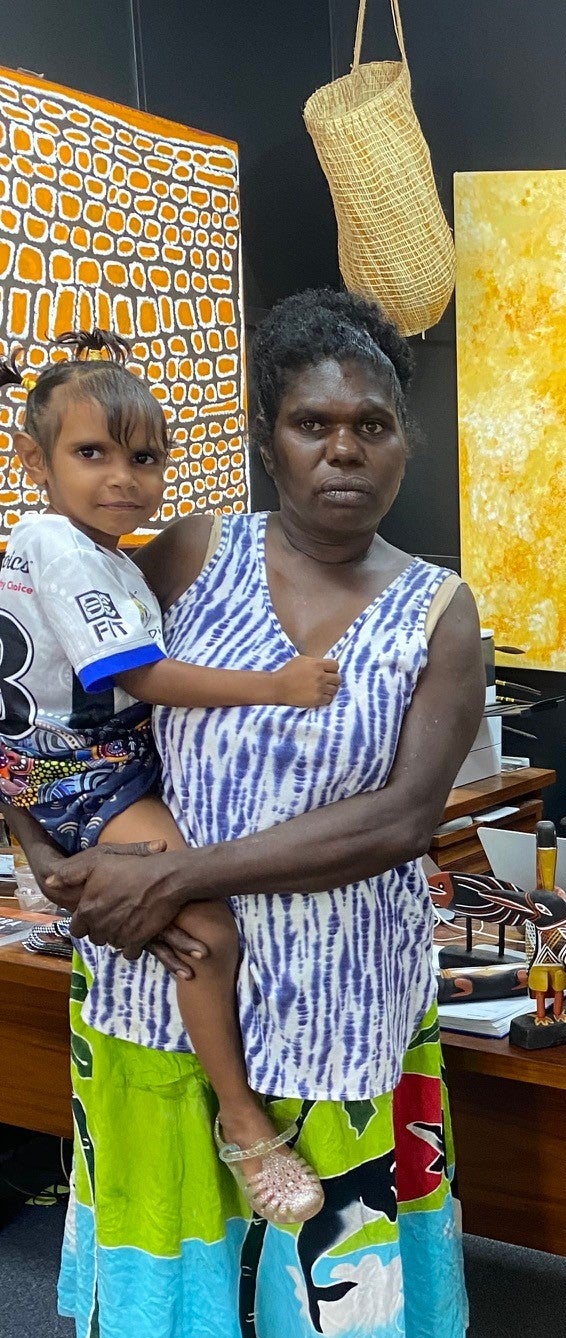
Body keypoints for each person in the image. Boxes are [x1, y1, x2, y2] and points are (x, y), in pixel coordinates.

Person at [10, 288, 485, 1338]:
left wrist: (183, 875)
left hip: (342, 1019)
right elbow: (61, 706)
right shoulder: (183, 551)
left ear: (405, 440)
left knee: (334, 1263)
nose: (344, 451)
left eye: (372, 424)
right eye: (312, 422)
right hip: (160, 1005)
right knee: (157, 1257)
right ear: (269, 439)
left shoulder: (437, 613)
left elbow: (403, 817)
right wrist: (51, 855)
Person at [1, 329, 334, 1225]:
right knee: (206, 930)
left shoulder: (89, 550)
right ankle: (244, 1124)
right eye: (91, 453)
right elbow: (138, 677)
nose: (122, 477)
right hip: (87, 774)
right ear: (34, 460)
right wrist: (279, 686)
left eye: (143, 458)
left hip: (77, 767)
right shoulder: (65, 550)